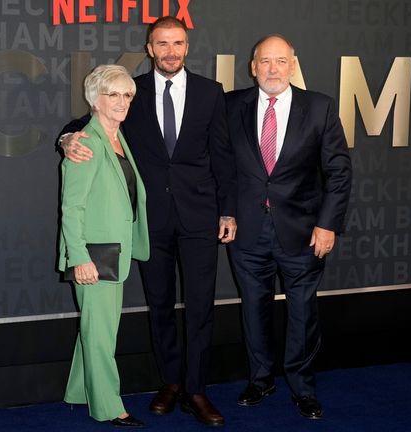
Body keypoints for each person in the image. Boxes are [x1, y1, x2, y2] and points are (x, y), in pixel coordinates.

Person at [58, 16, 236, 427]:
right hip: (148, 223)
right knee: (159, 306)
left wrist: (227, 210)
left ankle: (196, 389)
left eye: (178, 43)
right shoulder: (130, 92)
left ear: (187, 47)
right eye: (162, 43)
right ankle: (170, 382)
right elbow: (90, 122)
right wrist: (66, 139)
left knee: (200, 307)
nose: (170, 50)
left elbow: (223, 157)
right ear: (150, 48)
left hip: (200, 219)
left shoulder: (211, 93)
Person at [225, 35, 352, 419]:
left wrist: (328, 225)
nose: (273, 69)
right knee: (253, 309)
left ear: (293, 64)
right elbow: (218, 166)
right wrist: (225, 211)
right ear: (252, 66)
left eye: (281, 61)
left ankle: (302, 386)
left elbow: (339, 173)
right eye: (265, 61)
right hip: (246, 231)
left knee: (302, 311)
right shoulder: (230, 105)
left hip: (302, 231)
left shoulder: (320, 107)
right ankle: (261, 379)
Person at [58, 64, 150, 428]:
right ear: (94, 99)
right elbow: (71, 207)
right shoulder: (85, 143)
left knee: (97, 328)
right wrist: (79, 257)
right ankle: (110, 407)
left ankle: (80, 391)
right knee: (101, 333)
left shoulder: (118, 137)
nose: (122, 101)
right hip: (95, 256)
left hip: (114, 251)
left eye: (127, 94)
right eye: (113, 94)